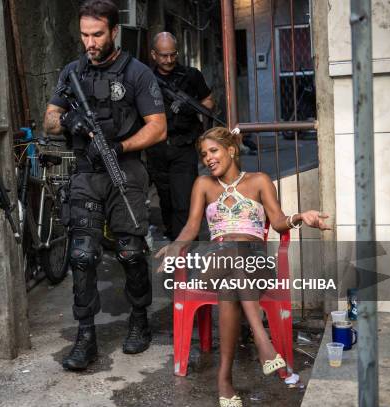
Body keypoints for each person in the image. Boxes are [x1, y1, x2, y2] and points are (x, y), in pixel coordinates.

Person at [156, 127, 330, 407]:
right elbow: (191, 226)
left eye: (213, 151)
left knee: (231, 285)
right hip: (216, 261)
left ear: (231, 150)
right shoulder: (203, 185)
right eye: (204, 154)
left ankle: (224, 379)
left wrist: (301, 217)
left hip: (253, 264)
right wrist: (176, 246)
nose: (208, 158)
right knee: (231, 258)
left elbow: (278, 222)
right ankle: (263, 341)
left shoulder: (259, 180)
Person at [43, 0, 166, 371]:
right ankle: (85, 336)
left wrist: (120, 145)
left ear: (114, 31)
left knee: (130, 250)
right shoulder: (72, 72)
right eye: (84, 35)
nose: (90, 42)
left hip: (125, 169)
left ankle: (139, 318)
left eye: (97, 34)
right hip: (85, 172)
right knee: (81, 255)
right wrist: (70, 124)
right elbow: (49, 119)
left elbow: (158, 126)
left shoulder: (137, 73)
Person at [147, 32, 215, 240]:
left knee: (183, 200)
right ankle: (172, 238)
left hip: (183, 145)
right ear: (154, 54)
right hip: (156, 147)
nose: (169, 60)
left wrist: (189, 108)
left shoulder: (191, 75)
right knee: (165, 199)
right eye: (163, 55)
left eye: (173, 55)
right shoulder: (146, 78)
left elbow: (208, 101)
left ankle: (184, 248)